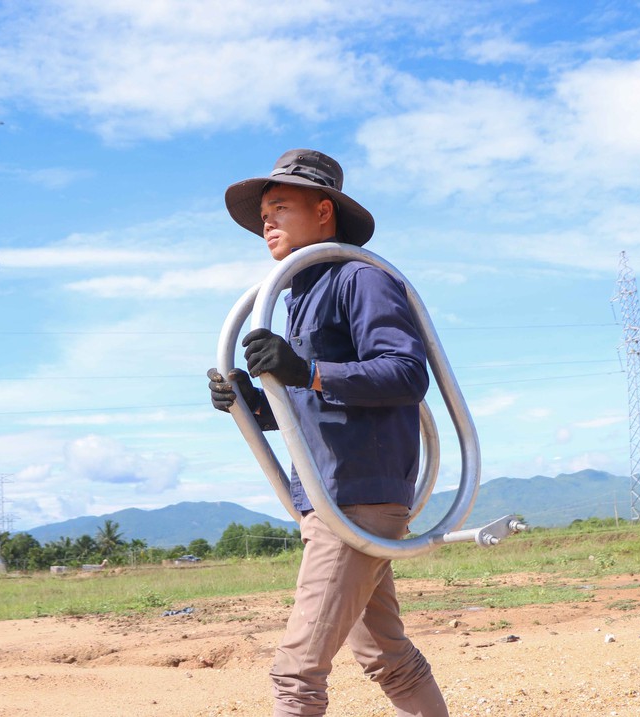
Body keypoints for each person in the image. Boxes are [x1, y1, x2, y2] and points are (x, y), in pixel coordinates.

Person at [207, 149, 449, 716]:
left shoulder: (360, 279)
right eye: (263, 212)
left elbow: (407, 373)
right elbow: (315, 400)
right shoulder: (299, 294)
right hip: (331, 495)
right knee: (386, 656)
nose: (265, 221)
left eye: (279, 207)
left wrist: (306, 370)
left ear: (323, 212)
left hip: (356, 495)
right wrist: (252, 405)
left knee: (297, 672)